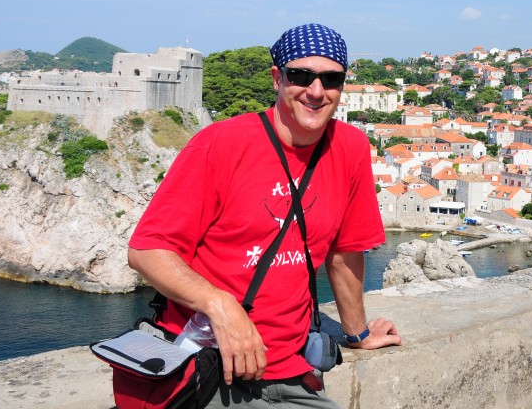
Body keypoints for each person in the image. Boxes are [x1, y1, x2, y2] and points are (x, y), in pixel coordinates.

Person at [128, 23, 401, 407]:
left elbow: (345, 252)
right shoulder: (222, 142)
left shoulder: (351, 147)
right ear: (277, 78)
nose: (316, 91)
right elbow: (147, 249)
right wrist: (220, 306)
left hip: (294, 368)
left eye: (331, 79)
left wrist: (357, 334)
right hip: (207, 362)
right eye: (301, 76)